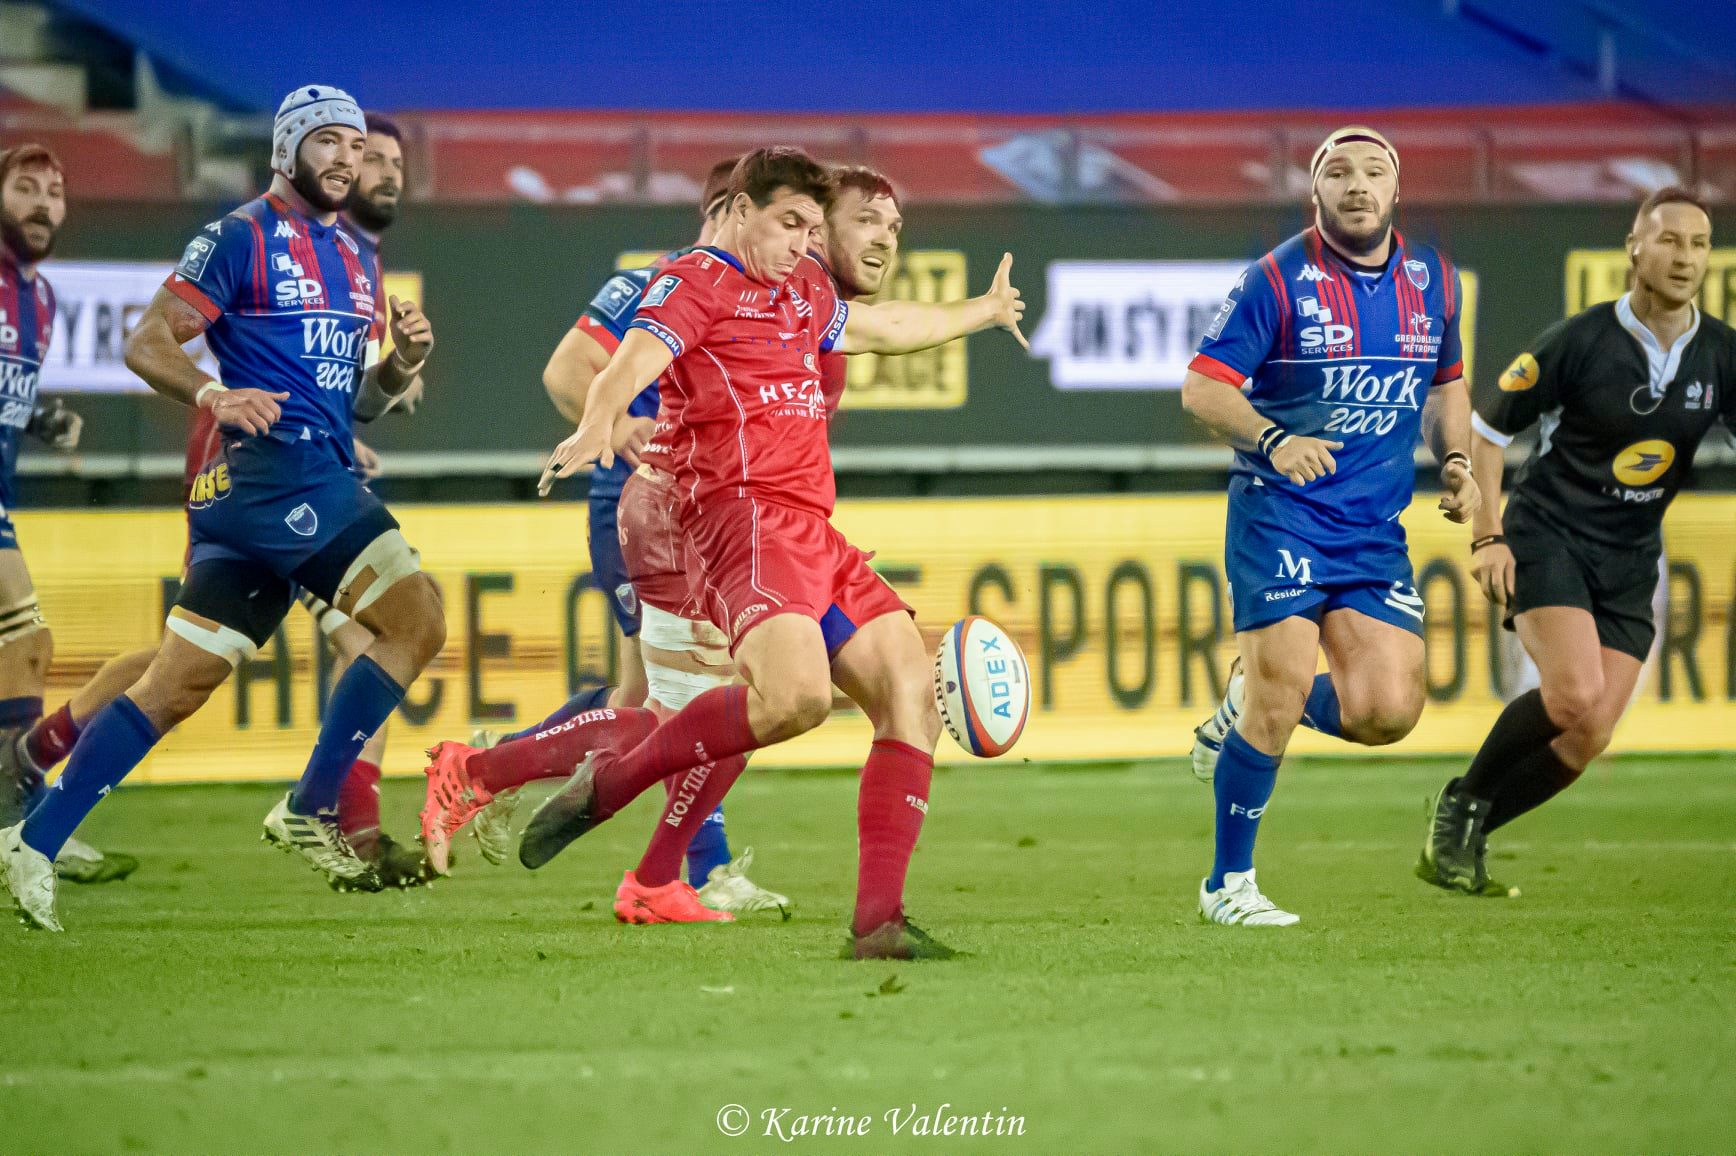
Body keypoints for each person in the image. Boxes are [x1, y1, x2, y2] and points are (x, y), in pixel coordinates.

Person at [425, 147, 1025, 958]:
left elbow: (885, 329)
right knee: (785, 700)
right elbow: (628, 361)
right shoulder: (693, 279)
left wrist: (981, 313)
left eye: (816, 227)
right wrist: (597, 423)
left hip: (808, 525)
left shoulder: (806, 288)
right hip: (730, 518)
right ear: (740, 209)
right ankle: (592, 797)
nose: (807, 243)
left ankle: (877, 924)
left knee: (907, 686)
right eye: (794, 223)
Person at [0, 85, 443, 931]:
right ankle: (313, 804)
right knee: (415, 619)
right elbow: (145, 340)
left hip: (285, 482)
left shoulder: (356, 258)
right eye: (328, 141)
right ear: (287, 152)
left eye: (358, 144)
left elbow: (352, 406)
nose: (348, 157)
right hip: (275, 478)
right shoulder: (240, 236)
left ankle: (34, 839)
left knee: (176, 684)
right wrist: (214, 392)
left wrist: (397, 367)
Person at [1181, 126, 1479, 927]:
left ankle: (1242, 708)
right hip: (1281, 512)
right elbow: (1202, 389)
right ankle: (1227, 886)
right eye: (1337, 171)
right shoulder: (1277, 278)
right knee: (1281, 694)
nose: (1357, 184)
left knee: (1387, 711)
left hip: (1373, 529)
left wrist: (1456, 464)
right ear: (1314, 192)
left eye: (1374, 170)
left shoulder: (1436, 282)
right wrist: (1275, 440)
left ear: (1396, 190)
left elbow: (1449, 389)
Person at [1418, 187, 1735, 895]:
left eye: (1699, 244)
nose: (1685, 257)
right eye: (1669, 240)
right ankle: (1459, 810)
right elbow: (1491, 436)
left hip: (1630, 558)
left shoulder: (1720, 355)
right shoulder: (1578, 341)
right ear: (1634, 248)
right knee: (1571, 695)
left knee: (1588, 735)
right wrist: (1487, 537)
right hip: (1548, 534)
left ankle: (1461, 829)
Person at [0, 144, 139, 885]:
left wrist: (44, 419)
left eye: (54, 192)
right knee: (27, 642)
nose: (43, 204)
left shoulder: (40, 298)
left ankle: (20, 821)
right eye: (25, 188)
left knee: (21, 651)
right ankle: (18, 820)